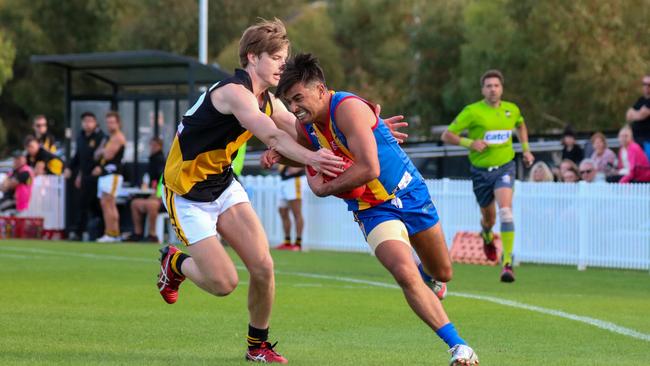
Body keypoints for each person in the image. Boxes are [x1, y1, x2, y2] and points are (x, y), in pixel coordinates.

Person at [156, 19, 347, 364]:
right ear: (252, 57)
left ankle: (257, 346)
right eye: (276, 58)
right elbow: (273, 136)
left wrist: (358, 126)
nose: (282, 66)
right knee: (223, 283)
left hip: (224, 186)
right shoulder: (233, 93)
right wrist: (313, 158)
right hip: (186, 195)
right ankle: (176, 263)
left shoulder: (269, 100)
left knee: (263, 267)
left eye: (284, 59)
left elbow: (301, 127)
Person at [270, 53, 478, 366]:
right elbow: (309, 156)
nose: (295, 109)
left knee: (442, 271)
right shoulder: (308, 125)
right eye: (289, 102)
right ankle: (460, 347)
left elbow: (369, 167)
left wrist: (325, 188)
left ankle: (431, 278)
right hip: (371, 209)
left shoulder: (348, 108)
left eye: (298, 98)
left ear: (321, 89)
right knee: (405, 273)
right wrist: (280, 156)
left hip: (409, 193)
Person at [441, 69, 534, 283]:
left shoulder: (511, 110)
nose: (493, 89)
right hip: (481, 172)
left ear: (502, 89)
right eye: (489, 86)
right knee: (489, 218)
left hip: (505, 167)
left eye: (496, 85)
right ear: (483, 90)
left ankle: (507, 262)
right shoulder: (472, 111)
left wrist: (526, 149)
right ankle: (486, 234)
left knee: (506, 212)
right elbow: (447, 135)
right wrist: (470, 143)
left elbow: (520, 124)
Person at [64, 112, 106, 241]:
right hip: (84, 177)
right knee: (83, 204)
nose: (87, 124)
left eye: (90, 121)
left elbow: (105, 156)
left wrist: (101, 167)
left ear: (95, 123)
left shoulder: (101, 137)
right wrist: (70, 168)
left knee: (95, 206)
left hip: (97, 177)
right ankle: (79, 232)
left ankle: (98, 231)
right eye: (85, 121)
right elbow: (78, 156)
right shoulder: (81, 137)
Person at [93, 111, 126, 243]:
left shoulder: (118, 137)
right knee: (105, 203)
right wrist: (101, 151)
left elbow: (107, 155)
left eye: (112, 122)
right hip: (105, 174)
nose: (109, 125)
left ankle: (111, 234)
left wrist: (102, 150)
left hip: (113, 174)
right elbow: (96, 155)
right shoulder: (108, 137)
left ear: (118, 123)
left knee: (109, 203)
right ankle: (113, 232)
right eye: (108, 122)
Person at [126, 137, 165, 242]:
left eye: (154, 145)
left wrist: (158, 194)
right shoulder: (152, 159)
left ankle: (152, 235)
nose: (152, 147)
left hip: (162, 198)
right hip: (152, 194)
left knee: (152, 205)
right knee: (134, 203)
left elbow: (163, 179)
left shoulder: (161, 160)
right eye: (151, 145)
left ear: (160, 146)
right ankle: (138, 233)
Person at [275, 165, 305, 251]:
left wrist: (299, 167)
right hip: (284, 179)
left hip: (295, 179)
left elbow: (309, 156)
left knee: (296, 212)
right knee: (282, 211)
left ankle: (298, 243)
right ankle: (287, 242)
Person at [625, 74, 650, 158]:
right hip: (635, 139)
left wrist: (635, 113)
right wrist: (639, 112)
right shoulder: (641, 100)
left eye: (649, 84)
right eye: (644, 84)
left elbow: (642, 116)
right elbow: (628, 115)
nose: (646, 86)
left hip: (647, 141)